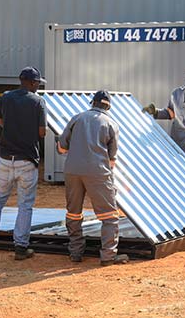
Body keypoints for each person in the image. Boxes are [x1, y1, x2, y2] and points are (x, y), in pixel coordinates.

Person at [0, 66, 47, 260]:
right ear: (31, 83)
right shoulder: (38, 102)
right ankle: (21, 248)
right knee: (25, 204)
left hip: (5, 159)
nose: (38, 86)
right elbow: (42, 133)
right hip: (27, 160)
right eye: (38, 83)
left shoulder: (6, 97)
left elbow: (1, 122)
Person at [57, 90, 128, 266]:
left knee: (73, 213)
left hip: (72, 171)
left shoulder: (77, 118)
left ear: (92, 103)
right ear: (108, 106)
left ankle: (75, 253)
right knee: (109, 216)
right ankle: (108, 256)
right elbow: (112, 159)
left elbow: (61, 148)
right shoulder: (111, 123)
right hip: (97, 172)